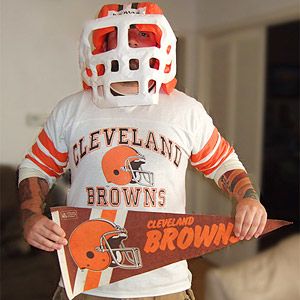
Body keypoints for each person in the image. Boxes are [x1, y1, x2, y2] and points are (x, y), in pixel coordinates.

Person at [18, 2, 267, 300]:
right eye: (119, 39)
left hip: (164, 283)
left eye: (139, 39)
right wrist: (30, 216)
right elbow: (37, 167)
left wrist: (248, 198)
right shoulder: (71, 109)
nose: (129, 48)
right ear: (101, 44)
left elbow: (223, 162)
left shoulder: (185, 110)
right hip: (86, 280)